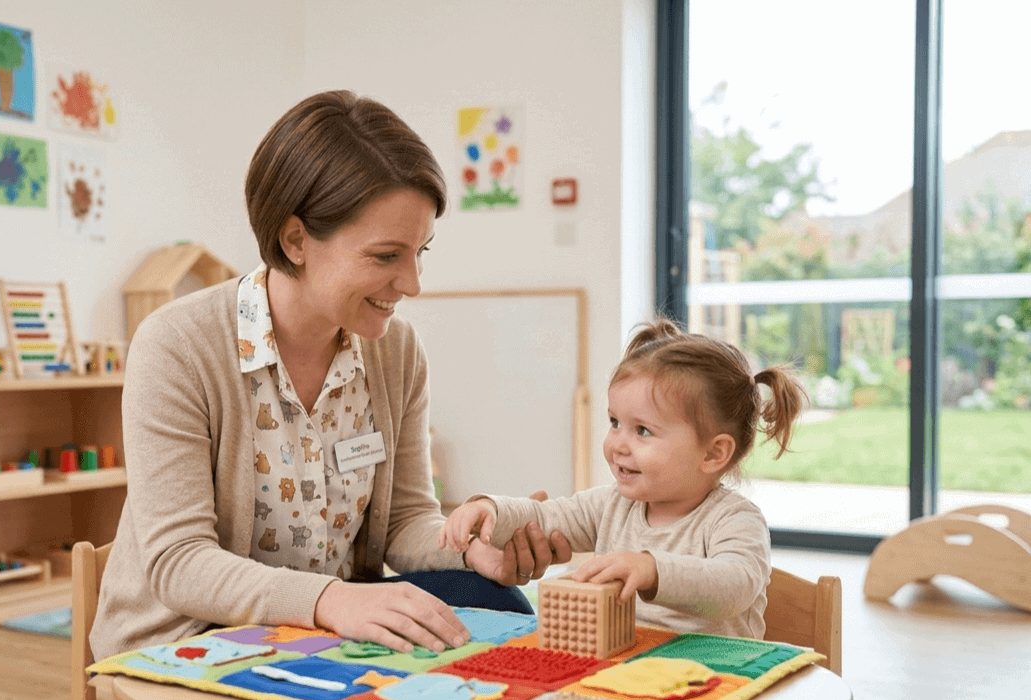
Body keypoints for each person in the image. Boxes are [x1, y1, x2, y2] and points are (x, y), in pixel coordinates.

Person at [90, 90, 570, 662]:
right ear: (296, 240)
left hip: (330, 620)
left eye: (421, 251)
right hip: (196, 632)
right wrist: (329, 601)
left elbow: (407, 522)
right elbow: (179, 562)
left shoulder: (396, 351)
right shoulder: (177, 345)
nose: (413, 282)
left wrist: (470, 550)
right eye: (387, 256)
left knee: (499, 601)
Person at [439, 318, 807, 639]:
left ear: (713, 453)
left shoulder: (735, 519)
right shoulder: (613, 504)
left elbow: (735, 585)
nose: (618, 444)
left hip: (718, 681)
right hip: (626, 673)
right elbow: (549, 516)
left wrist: (650, 569)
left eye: (643, 431)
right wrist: (493, 510)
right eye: (615, 423)